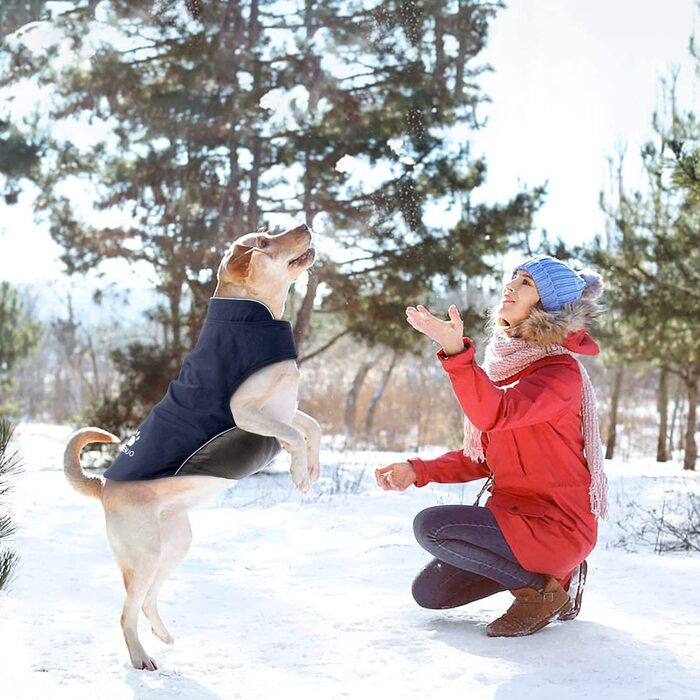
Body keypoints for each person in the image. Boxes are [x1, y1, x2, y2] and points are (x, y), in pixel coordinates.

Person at [375, 255, 607, 637]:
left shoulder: (559, 375)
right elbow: (480, 458)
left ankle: (542, 591)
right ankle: (553, 578)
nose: (511, 286)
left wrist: (455, 354)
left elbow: (494, 413)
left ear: (547, 306)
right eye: (513, 277)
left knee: (433, 527)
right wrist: (418, 470)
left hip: (555, 526)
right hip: (512, 518)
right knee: (429, 593)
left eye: (526, 283)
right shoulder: (504, 367)